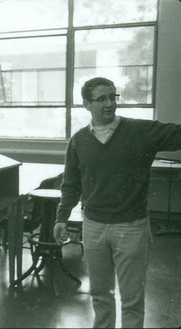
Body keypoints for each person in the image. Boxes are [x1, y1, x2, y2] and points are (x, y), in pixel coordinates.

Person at [53, 77, 181, 328]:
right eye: (102, 99)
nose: (110, 103)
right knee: (100, 295)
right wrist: (61, 217)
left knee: (132, 299)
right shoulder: (78, 141)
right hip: (93, 226)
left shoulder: (140, 131)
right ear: (86, 104)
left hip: (131, 227)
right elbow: (71, 184)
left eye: (113, 97)